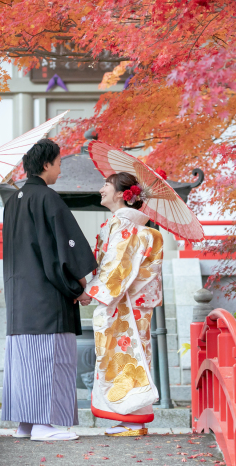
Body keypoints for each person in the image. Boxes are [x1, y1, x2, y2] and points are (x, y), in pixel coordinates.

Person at [0, 138, 96, 441]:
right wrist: (81, 286)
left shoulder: (12, 202)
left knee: (25, 360)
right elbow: (66, 251)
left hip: (19, 301)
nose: (60, 169)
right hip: (47, 300)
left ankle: (26, 423)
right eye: (58, 163)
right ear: (45, 164)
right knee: (49, 359)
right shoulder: (48, 199)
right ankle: (44, 424)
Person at [84, 172, 164, 437]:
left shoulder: (127, 226)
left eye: (106, 185)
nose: (101, 189)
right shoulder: (121, 225)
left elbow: (116, 266)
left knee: (128, 357)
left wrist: (90, 291)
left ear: (121, 193)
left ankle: (134, 419)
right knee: (123, 358)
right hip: (124, 302)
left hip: (124, 303)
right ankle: (128, 417)